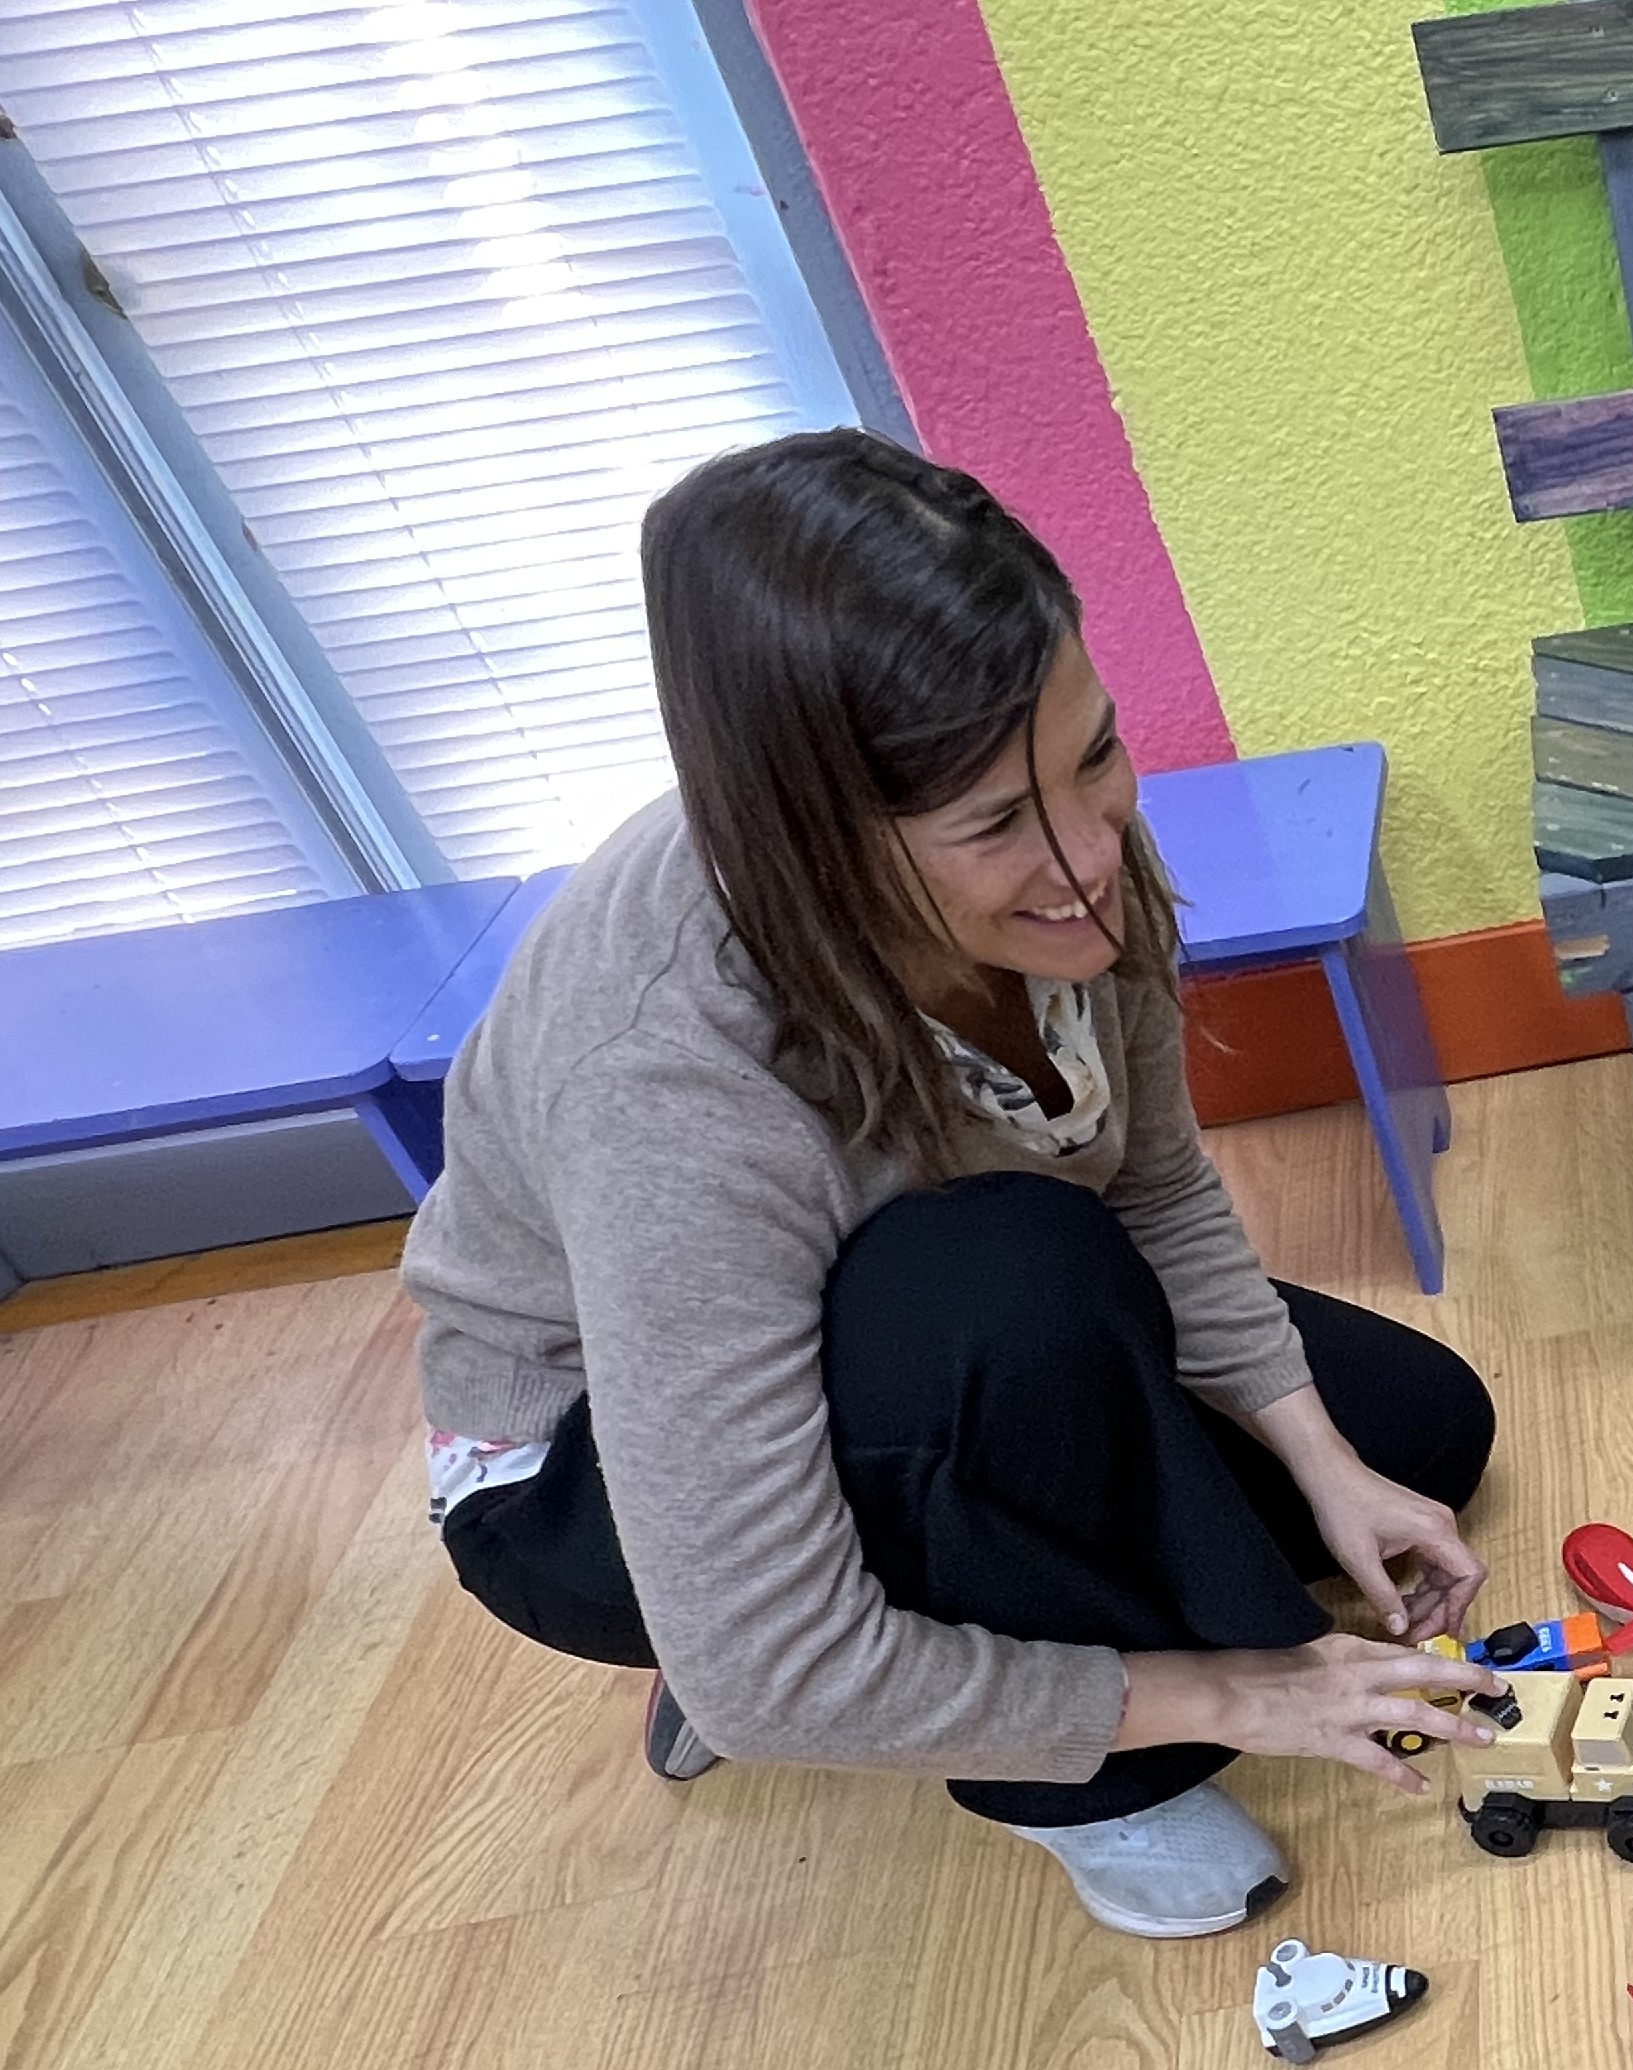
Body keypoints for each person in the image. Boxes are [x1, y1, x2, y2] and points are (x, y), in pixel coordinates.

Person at [403, 430, 1496, 1940]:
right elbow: (769, 1675)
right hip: (596, 1480)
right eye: (994, 825)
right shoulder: (665, 1075)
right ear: (818, 843)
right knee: (1012, 1282)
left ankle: (915, 1582)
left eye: (1096, 752)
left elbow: (1154, 1185)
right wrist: (1238, 1693)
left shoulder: (1068, 841)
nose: (1090, 854)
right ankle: (1075, 1786)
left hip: (933, 1330)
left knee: (1421, 1430)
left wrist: (1319, 1456)